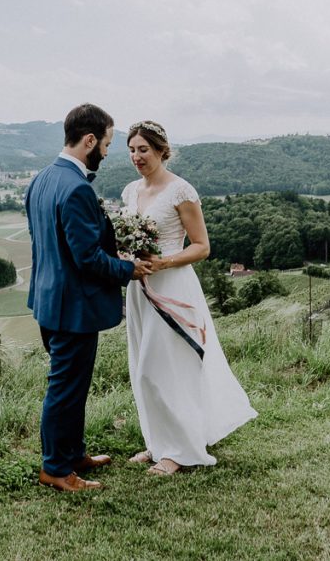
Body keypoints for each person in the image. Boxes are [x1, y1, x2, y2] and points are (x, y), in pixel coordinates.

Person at [25, 103, 152, 492]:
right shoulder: (77, 187)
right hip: (72, 308)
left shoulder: (42, 179)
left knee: (73, 385)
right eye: (109, 144)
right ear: (90, 140)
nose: (109, 152)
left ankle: (74, 453)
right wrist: (129, 269)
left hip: (48, 302)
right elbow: (87, 258)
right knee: (63, 389)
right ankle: (55, 469)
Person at [121, 120, 257, 476]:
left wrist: (163, 261)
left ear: (162, 150)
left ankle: (180, 450)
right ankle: (157, 443)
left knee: (167, 367)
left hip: (173, 288)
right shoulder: (130, 191)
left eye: (144, 150)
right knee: (142, 368)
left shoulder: (182, 191)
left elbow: (202, 247)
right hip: (139, 289)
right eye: (132, 150)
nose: (137, 157)